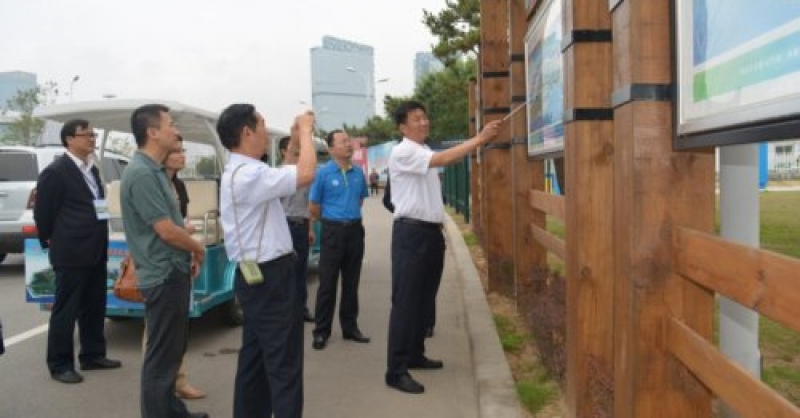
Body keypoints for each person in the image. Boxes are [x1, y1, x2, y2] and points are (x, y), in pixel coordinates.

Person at [385, 101, 501, 394]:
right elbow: (444, 159)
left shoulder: (422, 151)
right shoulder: (403, 151)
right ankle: (395, 370)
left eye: (425, 117)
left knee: (423, 300)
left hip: (429, 234)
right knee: (406, 302)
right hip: (411, 235)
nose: (424, 122)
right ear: (403, 127)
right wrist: (480, 138)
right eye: (416, 119)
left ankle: (414, 353)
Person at [218, 104, 316, 418]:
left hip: (257, 277)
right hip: (271, 277)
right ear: (247, 132)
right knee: (284, 365)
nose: (265, 128)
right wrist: (305, 131)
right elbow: (305, 173)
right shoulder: (250, 174)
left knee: (256, 359)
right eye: (261, 123)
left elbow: (282, 176)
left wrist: (295, 143)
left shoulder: (242, 171)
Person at [121, 104, 207, 418]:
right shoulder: (142, 172)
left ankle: (173, 411)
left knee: (171, 354)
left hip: (173, 270)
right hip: (163, 273)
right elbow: (166, 231)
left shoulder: (154, 170)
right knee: (160, 360)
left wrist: (185, 244)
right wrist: (199, 248)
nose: (176, 131)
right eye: (170, 125)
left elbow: (169, 225)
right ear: (153, 132)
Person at [34, 119, 122, 384]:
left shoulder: (91, 170)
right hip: (71, 251)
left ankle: (93, 355)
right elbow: (43, 213)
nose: (92, 140)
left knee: (95, 306)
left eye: (93, 135)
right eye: (86, 135)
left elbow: (98, 205)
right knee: (66, 310)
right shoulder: (56, 171)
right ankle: (60, 364)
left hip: (95, 248)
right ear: (69, 140)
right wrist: (50, 238)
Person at [139, 135, 206, 401]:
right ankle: (166, 387)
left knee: (176, 331)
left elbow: (180, 222)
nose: (182, 155)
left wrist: (188, 245)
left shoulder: (177, 185)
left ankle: (175, 382)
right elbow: (162, 229)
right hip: (160, 266)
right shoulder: (148, 180)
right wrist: (192, 242)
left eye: (183, 150)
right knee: (158, 334)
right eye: (176, 151)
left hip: (178, 259)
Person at [309, 129, 370, 350]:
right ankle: (321, 331)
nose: (348, 144)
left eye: (349, 141)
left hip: (355, 231)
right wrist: (333, 220)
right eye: (343, 141)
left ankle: (350, 327)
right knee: (327, 283)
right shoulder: (323, 173)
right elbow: (313, 207)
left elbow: (360, 200)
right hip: (332, 231)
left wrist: (348, 216)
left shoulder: (358, 173)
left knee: (351, 283)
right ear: (331, 148)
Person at [279, 135, 315, 323]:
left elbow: (308, 204)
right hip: (284, 226)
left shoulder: (304, 176)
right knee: (285, 272)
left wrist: (310, 230)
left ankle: (302, 308)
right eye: (294, 150)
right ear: (284, 152)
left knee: (301, 270)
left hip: (301, 226)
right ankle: (286, 311)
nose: (299, 153)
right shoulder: (278, 175)